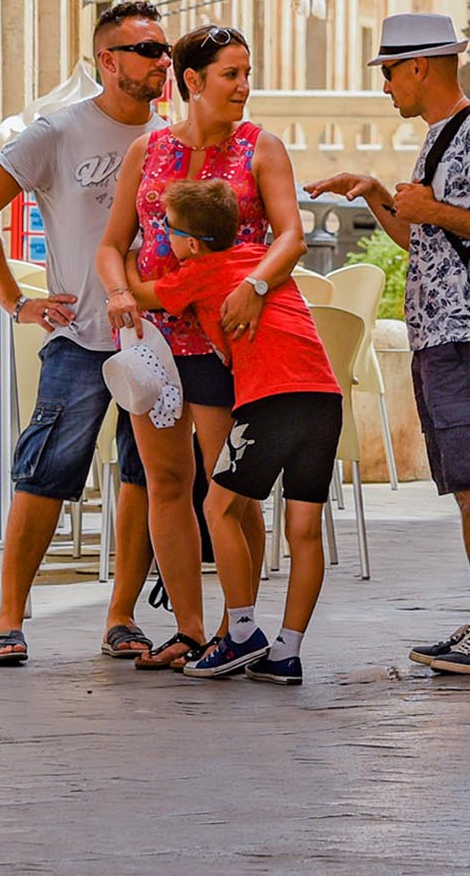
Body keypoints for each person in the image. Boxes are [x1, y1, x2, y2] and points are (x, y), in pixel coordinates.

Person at [310, 13, 470, 676]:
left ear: (419, 66)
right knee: (468, 484)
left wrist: (430, 207)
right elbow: (426, 242)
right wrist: (385, 197)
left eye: (388, 71)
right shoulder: (442, 138)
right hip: (440, 336)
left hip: (469, 334)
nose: (385, 86)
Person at [0, 0, 169, 668]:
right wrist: (16, 300)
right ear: (108, 60)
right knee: (44, 475)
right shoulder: (59, 130)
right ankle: (8, 618)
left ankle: (123, 617)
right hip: (79, 338)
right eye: (147, 50)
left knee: (144, 478)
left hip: (155, 343)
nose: (163, 61)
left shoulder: (171, 139)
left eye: (165, 49)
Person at [92, 24, 260, 672]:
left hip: (224, 343)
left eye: (246, 73)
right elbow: (112, 243)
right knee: (165, 481)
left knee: (231, 488)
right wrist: (119, 292)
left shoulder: (257, 148)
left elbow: (286, 236)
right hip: (151, 344)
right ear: (192, 81)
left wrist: (256, 283)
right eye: (231, 74)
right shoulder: (148, 150)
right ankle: (190, 629)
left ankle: (236, 628)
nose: (244, 87)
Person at [137, 157, 341, 686]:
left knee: (219, 507)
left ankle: (242, 630)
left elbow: (144, 296)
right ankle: (286, 652)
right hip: (323, 398)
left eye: (168, 229)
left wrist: (113, 280)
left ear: (192, 243)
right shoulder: (259, 260)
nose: (165, 236)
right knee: (303, 531)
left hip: (271, 398)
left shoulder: (196, 273)